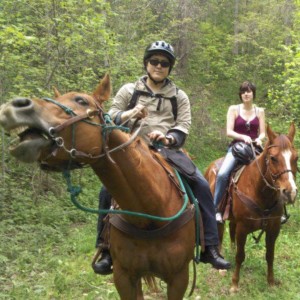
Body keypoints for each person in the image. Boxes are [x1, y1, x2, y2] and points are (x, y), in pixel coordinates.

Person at [92, 40, 231, 275]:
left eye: (164, 63)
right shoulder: (129, 90)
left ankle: (209, 246)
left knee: (200, 185)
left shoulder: (179, 96)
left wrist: (167, 138)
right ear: (147, 63)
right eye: (154, 61)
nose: (158, 66)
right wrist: (130, 113)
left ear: (169, 67)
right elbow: (111, 115)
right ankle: (105, 248)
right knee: (107, 190)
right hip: (131, 149)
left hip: (166, 150)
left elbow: (183, 125)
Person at [213, 81, 265, 223]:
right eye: (243, 92)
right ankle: (216, 208)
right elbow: (229, 132)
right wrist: (243, 137)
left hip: (254, 148)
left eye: (248, 91)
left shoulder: (260, 111)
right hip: (237, 148)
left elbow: (262, 133)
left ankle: (279, 210)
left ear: (253, 93)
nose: (246, 94)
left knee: (271, 170)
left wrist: (259, 139)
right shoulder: (233, 109)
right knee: (223, 174)